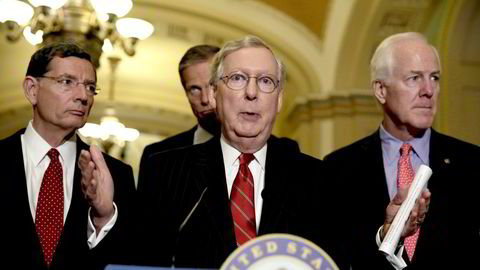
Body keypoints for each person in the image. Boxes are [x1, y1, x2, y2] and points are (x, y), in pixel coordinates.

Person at [135, 36, 347, 269]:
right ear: (215, 94)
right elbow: (140, 258)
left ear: (278, 100)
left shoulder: (320, 178)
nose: (252, 92)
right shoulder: (166, 171)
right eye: (238, 78)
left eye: (266, 81)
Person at [324, 32, 480, 269]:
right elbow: (335, 255)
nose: (428, 90)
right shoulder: (338, 168)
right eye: (414, 78)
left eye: (435, 78)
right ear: (381, 90)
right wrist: (385, 236)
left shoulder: (473, 163)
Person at [0, 43, 136, 270]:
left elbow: (131, 260)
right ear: (32, 89)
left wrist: (103, 217)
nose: (83, 96)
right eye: (67, 82)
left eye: (90, 87)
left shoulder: (115, 175)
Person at [137, 45, 220, 191]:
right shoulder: (156, 157)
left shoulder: (262, 149)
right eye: (194, 89)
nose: (205, 99)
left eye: (212, 86)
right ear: (185, 93)